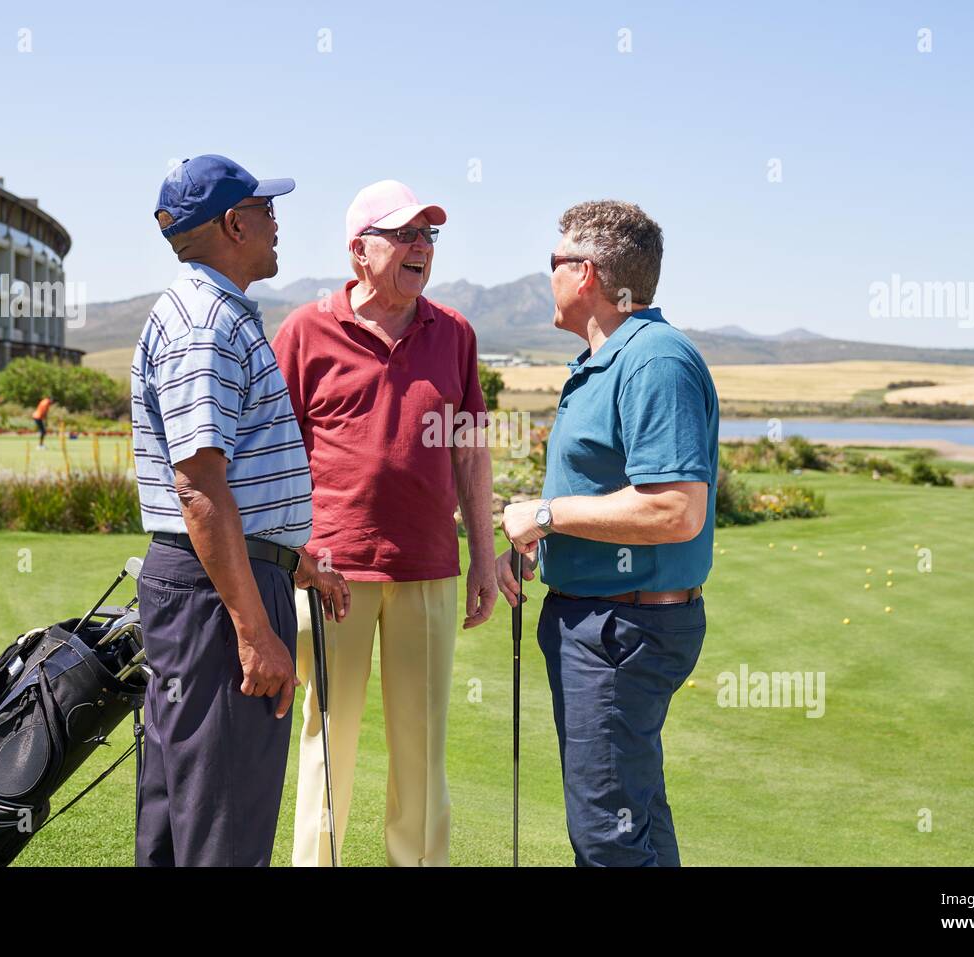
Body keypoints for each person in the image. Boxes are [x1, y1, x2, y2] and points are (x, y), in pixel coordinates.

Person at [130, 154, 349, 867]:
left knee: (185, 814)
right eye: (266, 210)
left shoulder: (212, 312)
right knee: (223, 825)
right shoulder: (206, 323)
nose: (277, 223)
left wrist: (294, 557)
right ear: (233, 224)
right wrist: (254, 630)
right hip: (221, 599)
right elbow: (198, 485)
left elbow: (227, 482)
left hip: (221, 583)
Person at [273, 179, 497, 867]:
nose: (420, 246)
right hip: (331, 571)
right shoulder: (305, 329)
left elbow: (470, 450)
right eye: (403, 234)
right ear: (358, 250)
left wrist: (483, 557)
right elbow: (273, 452)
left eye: (427, 235)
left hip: (428, 567)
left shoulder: (454, 332)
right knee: (329, 741)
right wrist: (294, 550)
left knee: (422, 750)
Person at [496, 200, 719, 867]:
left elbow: (675, 509)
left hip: (623, 631)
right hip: (599, 620)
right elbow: (608, 494)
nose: (548, 278)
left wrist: (545, 515)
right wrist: (543, 538)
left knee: (608, 836)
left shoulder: (653, 361)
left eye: (553, 264)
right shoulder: (606, 358)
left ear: (586, 274)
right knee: (634, 817)